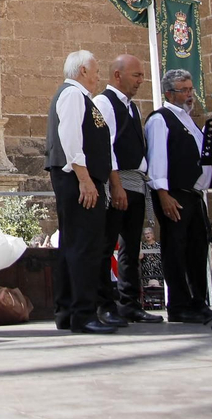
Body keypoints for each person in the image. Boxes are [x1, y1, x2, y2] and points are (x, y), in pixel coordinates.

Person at [46, 50, 119, 334]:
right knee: (84, 248)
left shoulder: (79, 96)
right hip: (77, 180)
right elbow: (71, 138)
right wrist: (85, 179)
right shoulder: (73, 95)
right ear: (83, 71)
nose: (98, 76)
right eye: (96, 70)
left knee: (73, 246)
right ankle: (83, 314)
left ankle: (67, 311)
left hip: (77, 178)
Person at [145, 69, 212, 323]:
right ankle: (178, 305)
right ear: (169, 93)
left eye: (190, 89)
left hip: (194, 195)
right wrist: (163, 194)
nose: (189, 94)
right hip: (175, 194)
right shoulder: (160, 119)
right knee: (176, 249)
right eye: (183, 90)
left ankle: (199, 301)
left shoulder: (188, 120)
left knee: (197, 247)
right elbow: (157, 159)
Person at [97, 54, 160, 324]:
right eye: (136, 75)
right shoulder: (104, 103)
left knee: (131, 248)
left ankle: (130, 303)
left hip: (136, 183)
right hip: (118, 183)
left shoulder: (132, 107)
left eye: (142, 75)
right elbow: (106, 145)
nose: (141, 80)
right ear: (117, 75)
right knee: (106, 246)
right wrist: (116, 185)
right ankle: (104, 305)